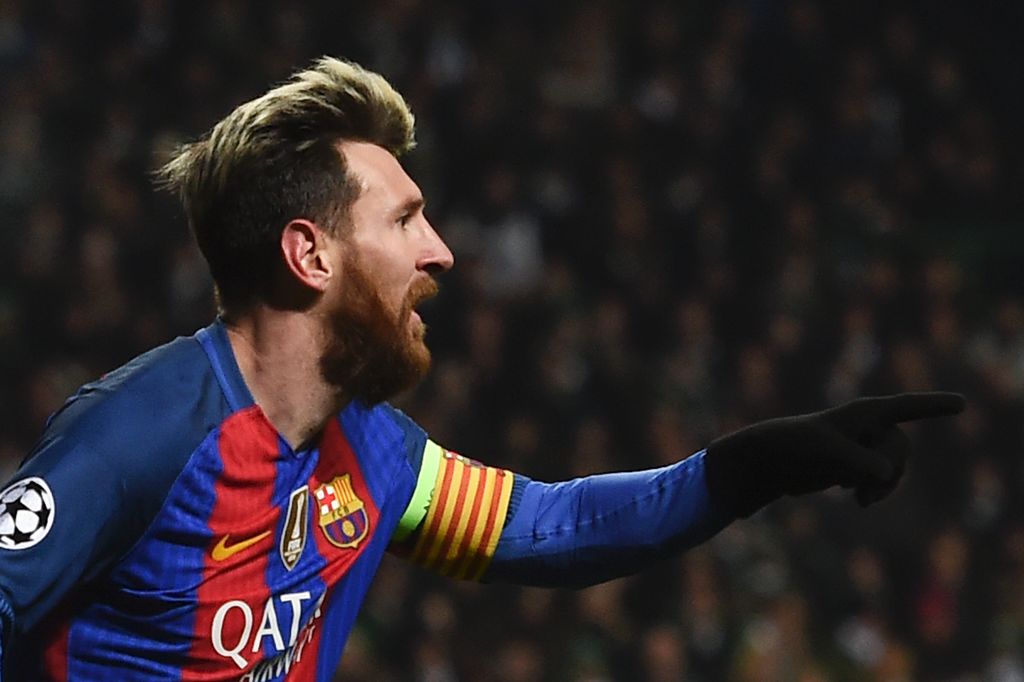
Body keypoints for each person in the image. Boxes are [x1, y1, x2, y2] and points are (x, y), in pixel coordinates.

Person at [0, 57, 964, 681]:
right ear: (311, 255)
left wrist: (756, 468)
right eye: (406, 219)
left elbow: (552, 528)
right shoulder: (140, 433)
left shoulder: (375, 453)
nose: (443, 252)